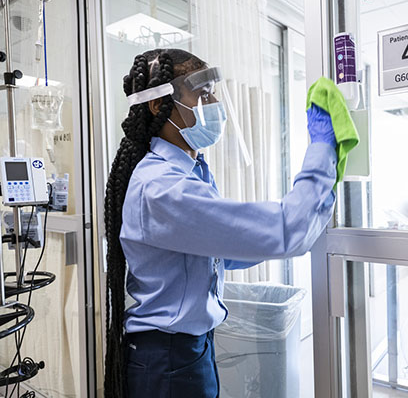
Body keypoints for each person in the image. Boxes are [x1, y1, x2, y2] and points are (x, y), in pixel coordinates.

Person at [104, 48, 338, 398]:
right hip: (167, 359)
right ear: (159, 106)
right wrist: (323, 150)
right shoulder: (162, 188)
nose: (213, 103)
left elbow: (222, 255)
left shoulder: (189, 172)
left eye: (213, 92)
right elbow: (285, 232)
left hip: (185, 350)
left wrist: (256, 238)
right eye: (201, 94)